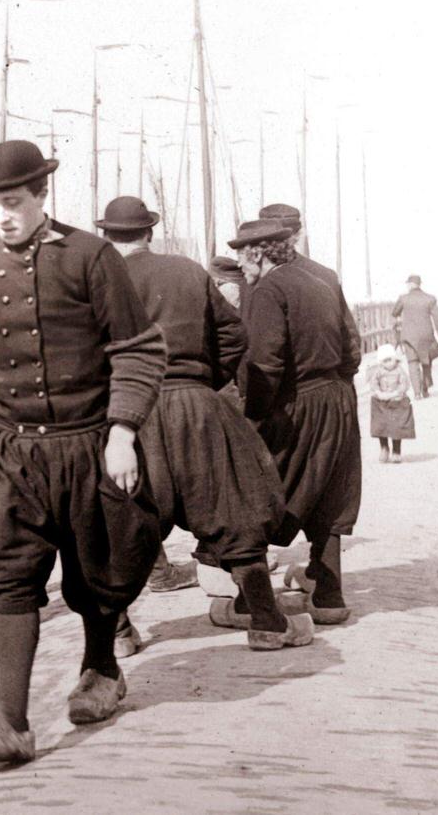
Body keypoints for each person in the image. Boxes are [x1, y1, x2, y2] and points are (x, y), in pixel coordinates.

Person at [0, 140, 166, 763]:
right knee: (9, 577)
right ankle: (10, 721)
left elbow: (139, 349)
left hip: (87, 445)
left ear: (42, 196)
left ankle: (101, 671)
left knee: (94, 569)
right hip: (7, 454)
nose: (3, 215)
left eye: (13, 202)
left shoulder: (92, 257)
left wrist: (123, 430)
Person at [98, 197, 310, 650]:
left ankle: (117, 634)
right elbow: (234, 336)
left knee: (123, 522)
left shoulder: (95, 279)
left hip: (127, 415)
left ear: (106, 237)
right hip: (195, 404)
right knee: (233, 509)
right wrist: (199, 381)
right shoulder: (187, 270)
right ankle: (267, 623)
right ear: (149, 232)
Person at [232, 219, 363, 626]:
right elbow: (351, 349)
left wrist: (251, 418)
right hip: (336, 398)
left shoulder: (270, 289)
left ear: (258, 252)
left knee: (259, 492)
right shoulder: (319, 280)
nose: (240, 265)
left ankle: (249, 603)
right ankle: (328, 595)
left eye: (242, 255)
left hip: (297, 403)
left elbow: (266, 364)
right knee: (329, 493)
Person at [392, 275, 438, 398]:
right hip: (426, 336)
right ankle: (425, 390)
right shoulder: (430, 299)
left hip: (409, 336)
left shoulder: (403, 298)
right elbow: (437, 318)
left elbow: (394, 313)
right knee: (426, 362)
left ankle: (416, 393)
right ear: (419, 284)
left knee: (412, 362)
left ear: (410, 284)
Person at [368, 343, 415, 462]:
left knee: (396, 427)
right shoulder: (378, 371)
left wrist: (397, 393)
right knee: (381, 425)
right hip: (382, 401)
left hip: (396, 400)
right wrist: (378, 392)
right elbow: (373, 383)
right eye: (385, 361)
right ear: (381, 362)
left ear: (395, 359)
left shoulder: (399, 370)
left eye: (390, 360)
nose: (388, 363)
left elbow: (404, 383)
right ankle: (384, 447)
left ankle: (396, 451)